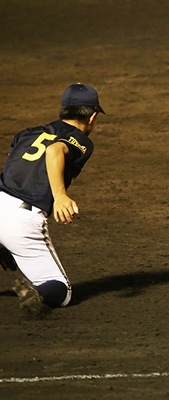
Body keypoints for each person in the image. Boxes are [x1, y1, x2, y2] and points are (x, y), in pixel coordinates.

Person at [0, 83, 104, 317]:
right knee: (61, 291)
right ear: (92, 117)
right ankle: (35, 292)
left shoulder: (27, 132)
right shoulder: (82, 141)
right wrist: (60, 196)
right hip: (20, 221)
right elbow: (54, 150)